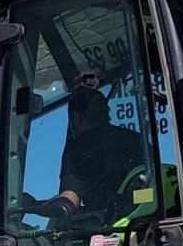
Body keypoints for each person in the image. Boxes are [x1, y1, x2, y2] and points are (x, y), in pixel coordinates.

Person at [57, 78, 145, 217]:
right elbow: (70, 197)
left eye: (88, 111)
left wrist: (127, 202)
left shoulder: (134, 141)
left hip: (137, 219)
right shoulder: (76, 150)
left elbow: (151, 191)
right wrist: (42, 207)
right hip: (100, 223)